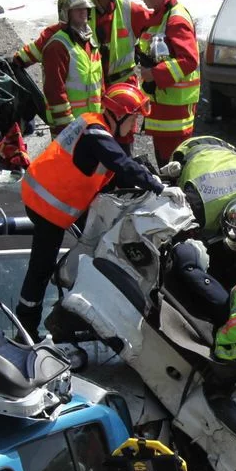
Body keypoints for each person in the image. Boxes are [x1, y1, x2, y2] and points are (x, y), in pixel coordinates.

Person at [14, 81, 166, 338]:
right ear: (118, 115)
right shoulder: (97, 134)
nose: (135, 126)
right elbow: (120, 164)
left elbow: (116, 169)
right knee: (41, 269)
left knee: (96, 247)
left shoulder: (94, 124)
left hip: (47, 200)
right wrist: (157, 186)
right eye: (134, 119)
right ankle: (26, 331)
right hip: (48, 207)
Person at [16, 0, 102, 136]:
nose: (83, 13)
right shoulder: (57, 46)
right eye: (77, 9)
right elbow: (54, 89)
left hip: (92, 123)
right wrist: (67, 126)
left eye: (85, 9)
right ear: (66, 13)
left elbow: (98, 81)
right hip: (68, 128)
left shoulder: (89, 40)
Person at [136, 0, 201, 163]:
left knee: (172, 165)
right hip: (166, 108)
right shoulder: (163, 15)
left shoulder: (175, 20)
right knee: (166, 161)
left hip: (174, 111)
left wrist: (154, 74)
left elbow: (189, 60)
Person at [85, 0, 150, 88]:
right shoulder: (80, 9)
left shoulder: (128, 9)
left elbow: (156, 22)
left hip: (124, 82)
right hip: (92, 85)